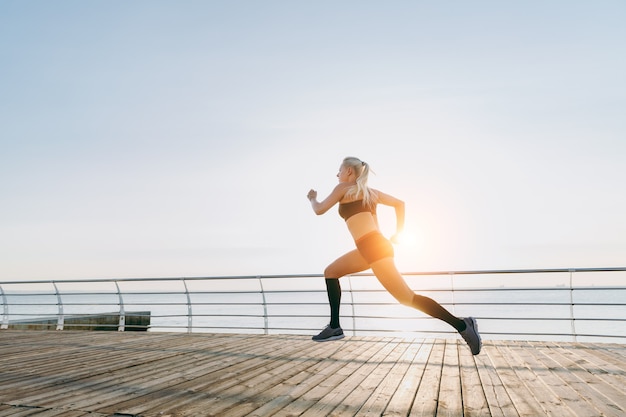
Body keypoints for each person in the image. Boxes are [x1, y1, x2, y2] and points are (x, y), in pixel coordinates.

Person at [306, 156, 481, 355]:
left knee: (408, 298)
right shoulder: (369, 194)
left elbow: (319, 210)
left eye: (339, 170)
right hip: (371, 247)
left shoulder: (343, 189)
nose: (337, 174)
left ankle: (463, 326)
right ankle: (335, 326)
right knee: (331, 272)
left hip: (373, 247)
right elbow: (400, 204)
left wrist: (312, 197)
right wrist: (399, 233)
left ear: (348, 172)